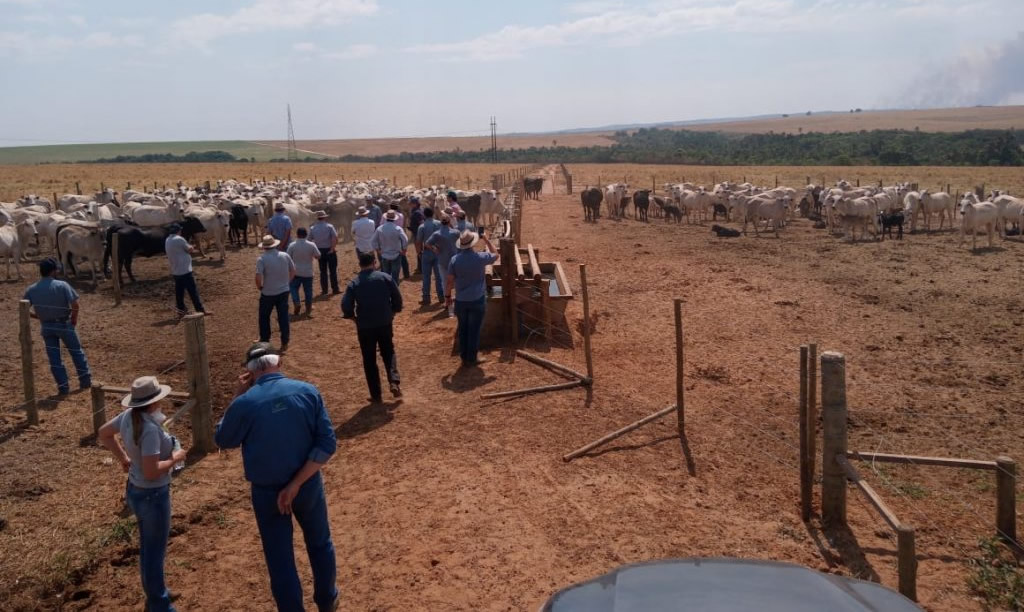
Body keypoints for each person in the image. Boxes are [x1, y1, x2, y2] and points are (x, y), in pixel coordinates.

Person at [215, 343, 339, 612]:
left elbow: (224, 438)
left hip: (267, 492)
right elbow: (327, 443)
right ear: (279, 363)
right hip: (306, 484)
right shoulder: (308, 392)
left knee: (279, 558)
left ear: (249, 372)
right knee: (320, 542)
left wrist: (237, 395)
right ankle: (327, 600)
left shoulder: (245, 404)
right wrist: (296, 483)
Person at [98, 376, 186, 612]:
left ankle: (158, 593)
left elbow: (104, 432)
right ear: (155, 402)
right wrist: (174, 458)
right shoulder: (148, 429)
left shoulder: (129, 417)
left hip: (136, 491)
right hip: (153, 496)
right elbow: (151, 471)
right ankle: (159, 604)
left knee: (150, 547)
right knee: (153, 552)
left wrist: (124, 459)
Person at [23, 257, 91, 394]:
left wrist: (39, 317)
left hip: (47, 327)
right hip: (64, 323)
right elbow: (75, 304)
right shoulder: (62, 285)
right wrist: (74, 319)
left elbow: (23, 308)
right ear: (53, 271)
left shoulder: (31, 289)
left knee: (54, 358)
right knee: (76, 352)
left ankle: (63, 387)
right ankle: (85, 381)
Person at [341, 252, 403, 402]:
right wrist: (394, 311)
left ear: (360, 265)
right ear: (375, 262)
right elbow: (397, 297)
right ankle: (394, 381)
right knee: (388, 351)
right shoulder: (385, 278)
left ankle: (376, 395)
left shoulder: (354, 283)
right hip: (384, 322)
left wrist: (353, 318)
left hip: (365, 325)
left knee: (369, 359)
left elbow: (345, 305)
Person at [446, 229, 497, 367]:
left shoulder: (454, 260)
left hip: (461, 300)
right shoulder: (480, 257)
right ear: (473, 244)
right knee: (474, 329)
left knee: (463, 328)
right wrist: (486, 240)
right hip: (477, 299)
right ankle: (472, 358)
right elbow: (495, 254)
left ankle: (464, 356)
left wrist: (447, 296)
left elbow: (449, 280)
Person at [256, 235, 296, 351]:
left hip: (268, 293)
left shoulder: (262, 259)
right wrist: (287, 283)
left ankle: (265, 341)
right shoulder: (285, 255)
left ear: (264, 247)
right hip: (283, 291)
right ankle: (285, 341)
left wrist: (260, 287)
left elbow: (258, 277)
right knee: (283, 316)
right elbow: (293, 271)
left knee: (264, 317)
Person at [164, 223, 209, 319]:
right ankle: (200, 309)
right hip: (185, 270)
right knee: (193, 291)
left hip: (176, 270)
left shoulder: (168, 239)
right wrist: (193, 246)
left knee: (179, 292)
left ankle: (181, 311)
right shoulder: (179, 239)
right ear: (178, 231)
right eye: (180, 230)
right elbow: (189, 250)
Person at [424, 215, 460, 301]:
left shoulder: (436, 234)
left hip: (442, 260)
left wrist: (434, 249)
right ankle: (459, 299)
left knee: (445, 281)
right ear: (449, 222)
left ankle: (447, 301)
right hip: (455, 260)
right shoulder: (456, 232)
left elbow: (427, 243)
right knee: (458, 280)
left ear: (441, 223)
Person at [287, 227, 321, 318]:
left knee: (293, 288)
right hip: (308, 272)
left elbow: (287, 258)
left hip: (296, 272)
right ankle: (308, 308)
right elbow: (318, 256)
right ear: (306, 235)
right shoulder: (311, 244)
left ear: (297, 235)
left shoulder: (292, 245)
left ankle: (297, 302)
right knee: (308, 291)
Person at [415, 207, 443, 305]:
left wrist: (419, 253)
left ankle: (426, 298)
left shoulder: (422, 226)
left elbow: (418, 242)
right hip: (438, 252)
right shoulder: (439, 224)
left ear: (424, 215)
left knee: (426, 276)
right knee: (439, 276)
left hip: (426, 252)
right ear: (432, 214)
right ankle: (441, 296)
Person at [371, 210, 408, 284]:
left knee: (386, 276)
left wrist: (378, 250)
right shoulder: (398, 228)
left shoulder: (380, 228)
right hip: (396, 254)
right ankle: (395, 291)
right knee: (395, 277)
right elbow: (405, 240)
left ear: (386, 218)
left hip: (384, 254)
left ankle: (387, 293)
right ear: (395, 218)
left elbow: (373, 241)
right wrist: (404, 250)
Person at [309, 211, 339, 295]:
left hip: (319, 251)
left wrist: (314, 252)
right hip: (329, 250)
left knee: (323, 271)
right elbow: (335, 238)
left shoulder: (312, 228)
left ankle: (324, 290)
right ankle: (335, 289)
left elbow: (309, 240)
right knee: (333, 271)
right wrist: (332, 249)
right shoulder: (329, 226)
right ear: (325, 217)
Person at [389, 204, 411, 280]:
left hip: (389, 237)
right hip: (399, 235)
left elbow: (381, 224)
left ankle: (388, 275)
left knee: (388, 254)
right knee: (402, 255)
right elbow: (403, 225)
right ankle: (406, 273)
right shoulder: (401, 215)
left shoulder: (386, 215)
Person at [408, 197, 425, 273]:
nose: (410, 204)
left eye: (411, 203)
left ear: (415, 204)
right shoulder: (416, 211)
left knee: (419, 251)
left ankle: (421, 268)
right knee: (419, 251)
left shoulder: (417, 212)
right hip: (416, 233)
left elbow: (421, 223)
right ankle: (420, 267)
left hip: (418, 234)